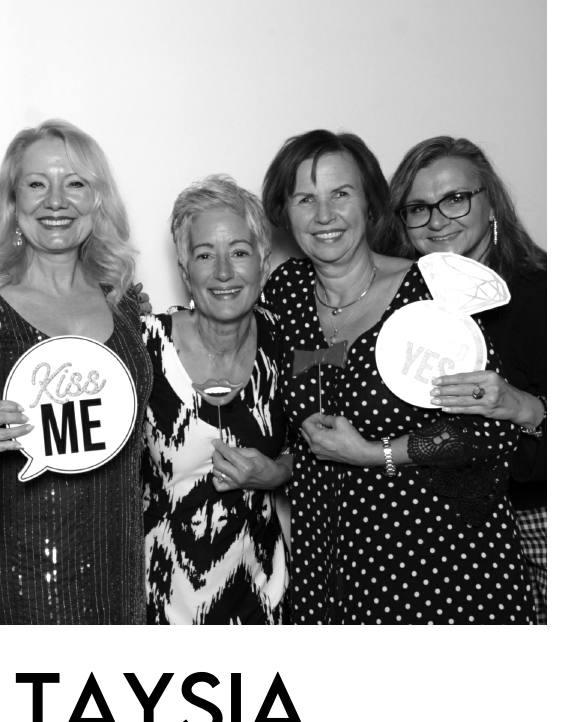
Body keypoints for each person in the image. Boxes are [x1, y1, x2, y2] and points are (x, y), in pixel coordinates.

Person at [260, 129, 531, 624]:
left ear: (370, 203)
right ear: (285, 211)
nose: (324, 215)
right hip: (331, 564)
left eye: (341, 194)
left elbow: (488, 432)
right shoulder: (287, 291)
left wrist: (373, 453)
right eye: (306, 199)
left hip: (442, 563)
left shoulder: (428, 292)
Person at [0, 120, 153, 622]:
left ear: (97, 199)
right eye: (37, 183)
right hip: (18, 570)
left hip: (117, 565)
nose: (56, 201)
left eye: (75, 183)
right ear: (13, 199)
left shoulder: (126, 305)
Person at [383, 136, 547, 621]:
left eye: (455, 199)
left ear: (490, 202)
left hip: (533, 519)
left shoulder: (544, 294)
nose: (437, 221)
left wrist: (523, 406)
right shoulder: (399, 306)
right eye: (418, 208)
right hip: (437, 532)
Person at [143, 176, 290, 624]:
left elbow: (318, 448)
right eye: (205, 254)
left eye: (239, 252)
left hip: (265, 601)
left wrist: (275, 472)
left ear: (263, 262)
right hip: (160, 603)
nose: (223, 272)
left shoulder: (287, 340)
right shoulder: (143, 345)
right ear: (185, 269)